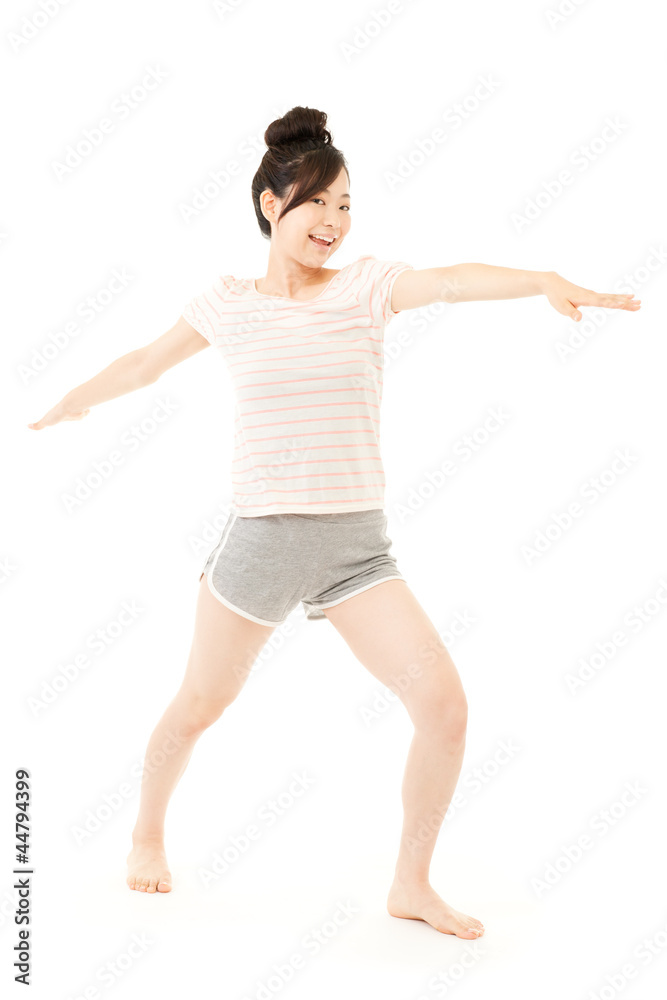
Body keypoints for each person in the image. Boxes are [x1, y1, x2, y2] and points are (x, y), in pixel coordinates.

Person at [27, 105, 640, 938]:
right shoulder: (227, 302)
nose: (335, 222)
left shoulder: (367, 288)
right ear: (271, 206)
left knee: (444, 708)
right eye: (317, 203)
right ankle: (145, 834)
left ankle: (411, 885)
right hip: (261, 543)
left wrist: (538, 280)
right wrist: (73, 401)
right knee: (199, 705)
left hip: (357, 549)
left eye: (346, 204)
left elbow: (453, 278)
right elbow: (143, 363)